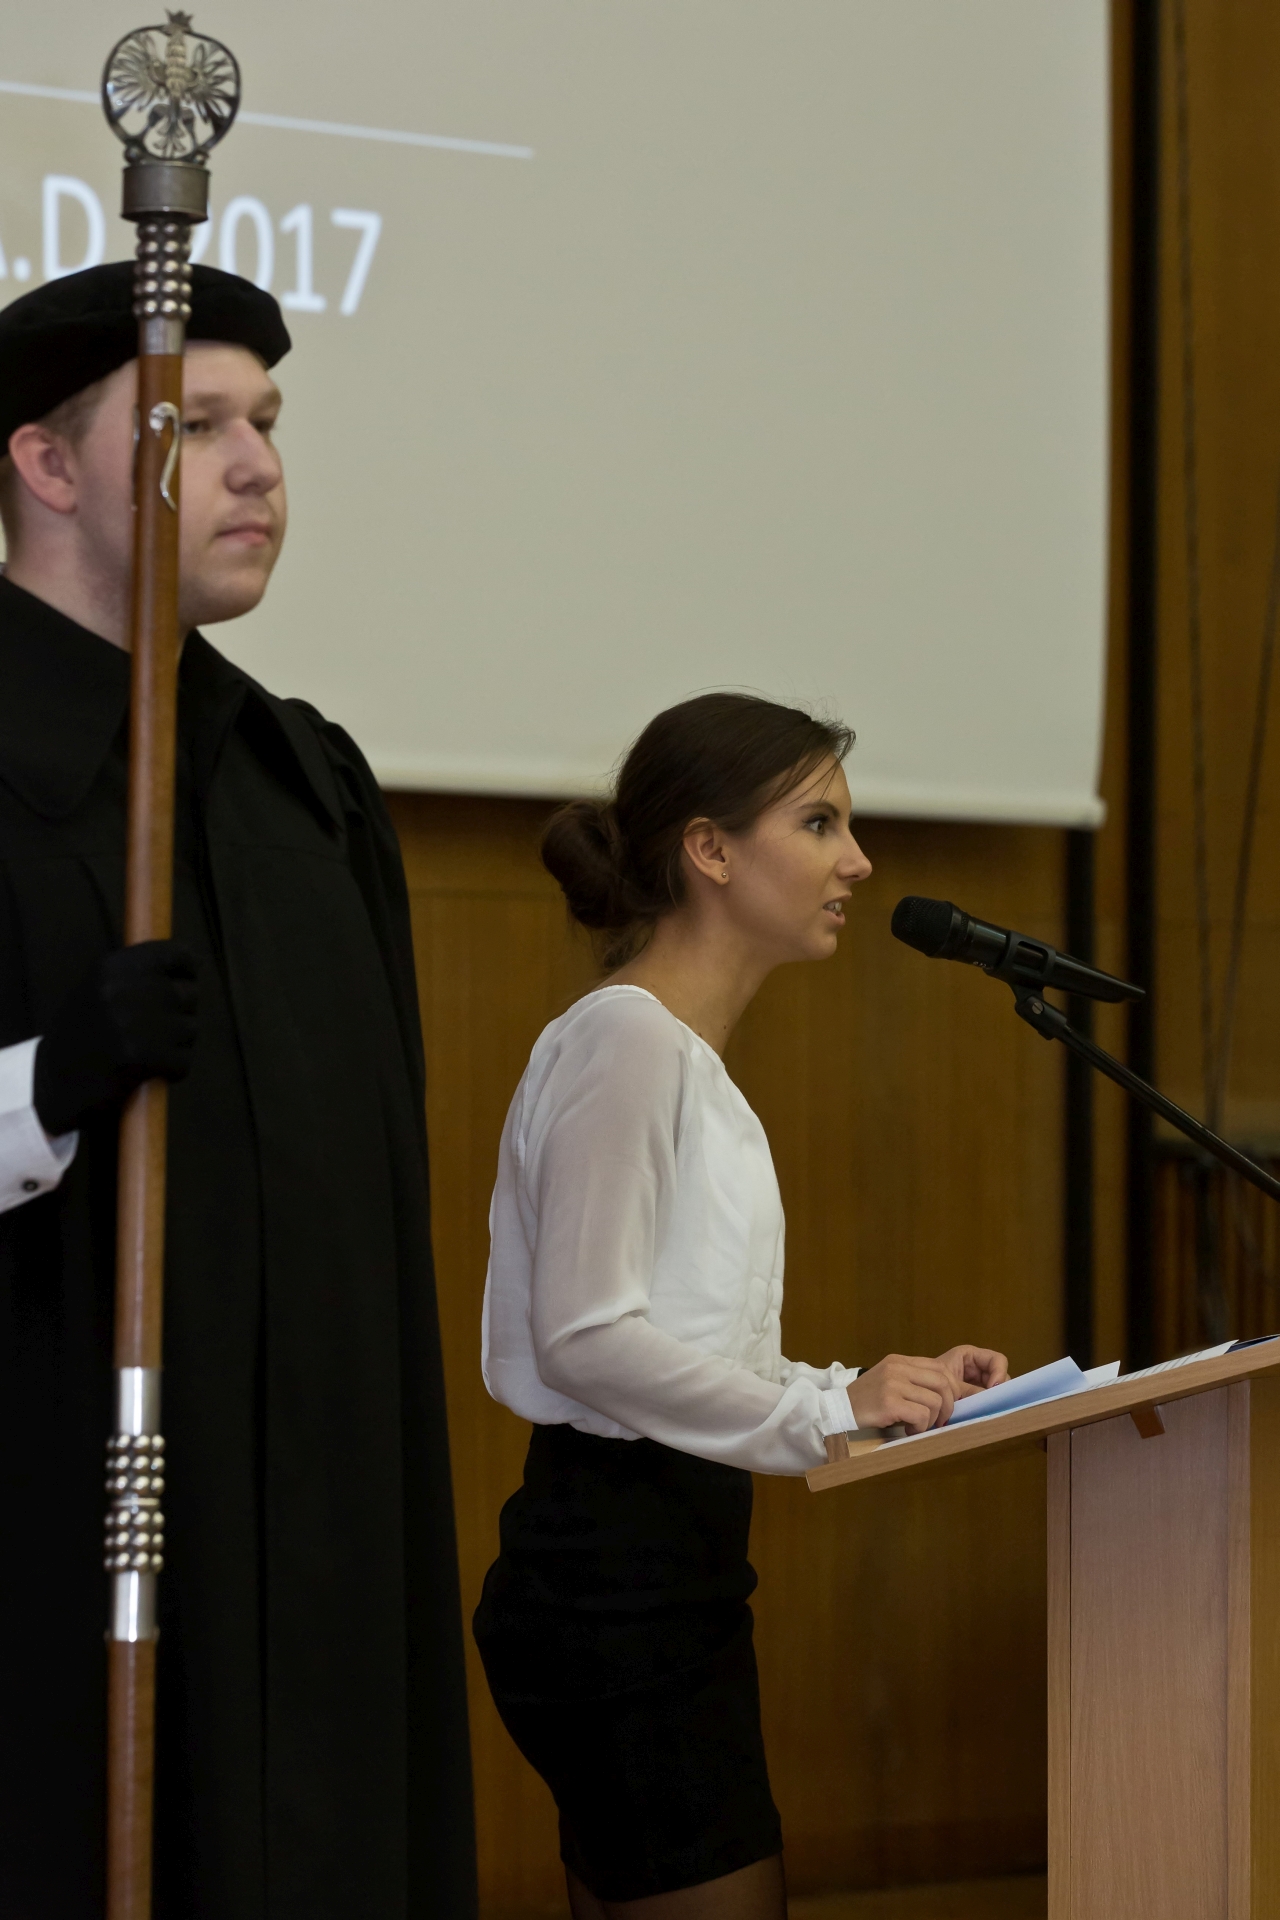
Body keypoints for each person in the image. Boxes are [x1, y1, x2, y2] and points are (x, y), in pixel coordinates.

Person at [0, 263, 475, 1919]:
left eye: (266, 422)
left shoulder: (305, 783)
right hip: (57, 1528)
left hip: (316, 1556)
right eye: (196, 426)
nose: (262, 466)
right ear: (46, 465)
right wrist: (45, 1085)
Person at [474, 693, 1008, 1919]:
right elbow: (586, 1338)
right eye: (818, 823)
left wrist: (860, 1391)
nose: (856, 861)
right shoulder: (630, 1043)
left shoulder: (680, 1060)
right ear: (708, 849)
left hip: (668, 1570)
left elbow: (685, 1345)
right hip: (617, 1581)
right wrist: (820, 1418)